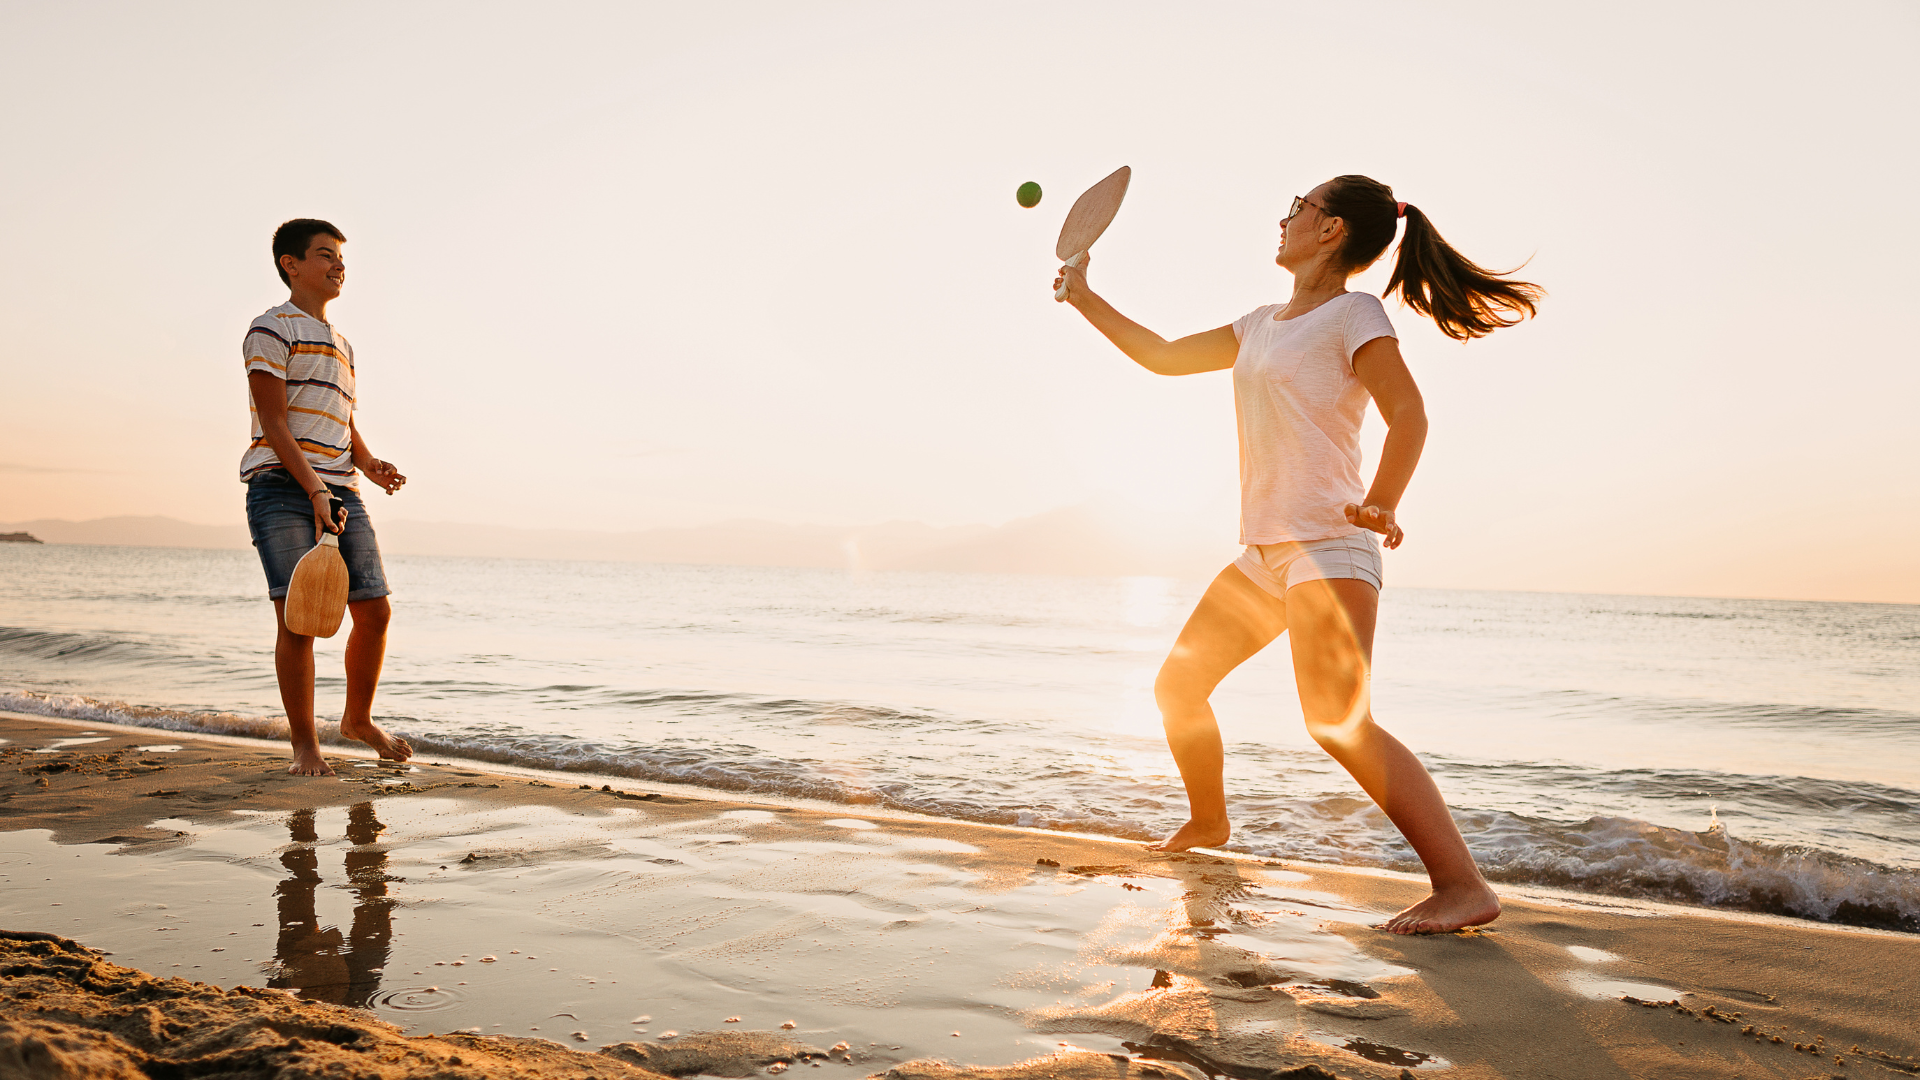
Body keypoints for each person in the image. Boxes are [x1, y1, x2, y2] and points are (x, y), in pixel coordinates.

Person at [1054, 175, 1541, 934]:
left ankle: (1462, 885)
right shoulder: (1260, 324)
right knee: (1177, 688)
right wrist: (1084, 295)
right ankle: (1209, 824)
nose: (1283, 219)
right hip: (1265, 552)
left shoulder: (1355, 313)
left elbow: (1407, 413)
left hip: (1329, 544)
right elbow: (1163, 357)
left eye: (1298, 208)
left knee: (1338, 722)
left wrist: (1383, 500)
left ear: (1331, 230)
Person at [242, 219, 413, 776]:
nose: (339, 266)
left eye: (341, 257)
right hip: (282, 486)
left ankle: (357, 720)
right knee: (299, 619)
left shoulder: (342, 344)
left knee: (375, 610)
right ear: (291, 264)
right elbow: (274, 421)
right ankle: (304, 746)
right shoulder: (270, 329)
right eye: (325, 256)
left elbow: (342, 418)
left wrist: (367, 463)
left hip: (341, 488)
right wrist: (314, 488)